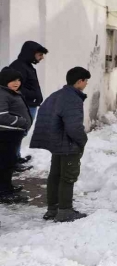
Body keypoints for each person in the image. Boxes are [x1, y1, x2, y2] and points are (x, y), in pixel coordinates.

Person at [30, 67, 90, 222]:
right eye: (86, 80)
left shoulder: (57, 95)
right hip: (68, 144)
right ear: (79, 81)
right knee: (67, 177)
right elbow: (74, 127)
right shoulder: (72, 99)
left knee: (55, 176)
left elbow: (45, 116)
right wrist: (82, 140)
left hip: (57, 144)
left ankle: (53, 209)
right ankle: (65, 211)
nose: (87, 84)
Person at [8, 41, 48, 169]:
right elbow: (15, 87)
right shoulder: (18, 66)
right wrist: (33, 95)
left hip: (28, 105)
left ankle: (16, 157)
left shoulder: (27, 66)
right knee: (17, 133)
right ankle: (12, 162)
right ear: (31, 54)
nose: (42, 57)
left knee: (21, 133)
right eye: (40, 54)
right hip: (22, 106)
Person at [0, 68, 32, 204]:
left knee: (9, 162)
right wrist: (21, 122)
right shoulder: (2, 94)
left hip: (13, 134)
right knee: (5, 164)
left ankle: (7, 187)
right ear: (5, 80)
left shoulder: (11, 92)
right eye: (13, 80)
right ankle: (4, 193)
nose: (16, 83)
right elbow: (1, 116)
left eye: (18, 80)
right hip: (5, 134)